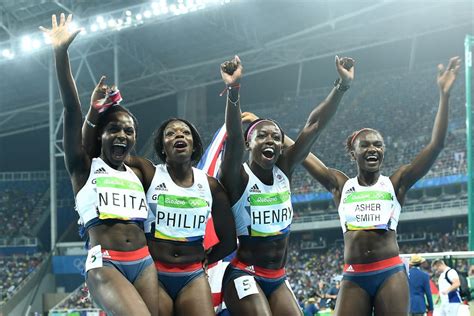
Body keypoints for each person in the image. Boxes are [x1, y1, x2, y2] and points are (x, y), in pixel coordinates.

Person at [298, 56, 461, 315]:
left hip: (390, 274)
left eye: (378, 145)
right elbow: (303, 144)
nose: (373, 148)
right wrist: (341, 86)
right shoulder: (340, 184)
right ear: (353, 153)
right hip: (353, 277)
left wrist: (444, 96)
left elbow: (436, 146)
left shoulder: (396, 182)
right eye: (366, 145)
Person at [40, 14, 159, 315]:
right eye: (115, 129)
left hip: (144, 262)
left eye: (129, 131)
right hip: (106, 263)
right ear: (101, 135)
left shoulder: (137, 172)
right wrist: (60, 53)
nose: (122, 135)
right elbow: (70, 107)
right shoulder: (83, 167)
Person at [219, 55, 354, 315]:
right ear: (250, 143)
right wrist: (233, 91)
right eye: (262, 136)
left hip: (277, 277)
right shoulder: (238, 177)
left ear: (282, 145)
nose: (270, 140)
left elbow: (313, 125)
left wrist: (342, 86)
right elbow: (234, 136)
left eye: (276, 137)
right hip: (244, 275)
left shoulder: (284, 171)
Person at [82, 93, 236, 314]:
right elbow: (107, 151)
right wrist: (101, 114)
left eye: (185, 132)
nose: (178, 135)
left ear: (194, 145)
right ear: (163, 147)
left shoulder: (211, 186)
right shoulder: (148, 172)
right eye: (170, 133)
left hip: (191, 275)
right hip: (153, 273)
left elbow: (229, 241)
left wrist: (207, 258)